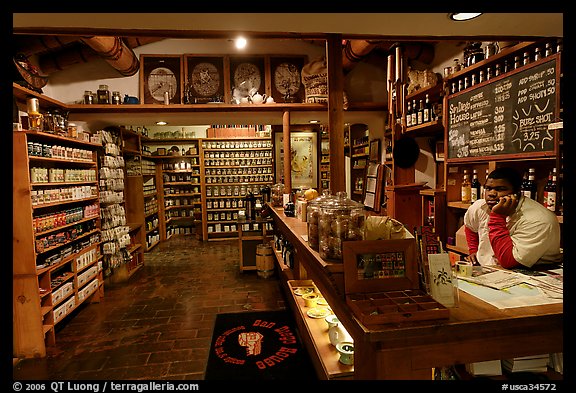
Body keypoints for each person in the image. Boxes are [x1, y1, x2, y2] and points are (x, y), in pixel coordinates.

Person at [463, 166, 562, 269]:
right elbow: (470, 226)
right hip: (489, 268)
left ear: (517, 192)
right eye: (488, 188)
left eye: (500, 189)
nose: (491, 194)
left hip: (529, 272)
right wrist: (473, 250)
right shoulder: (479, 206)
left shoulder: (539, 220)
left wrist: (497, 217)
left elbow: (508, 261)